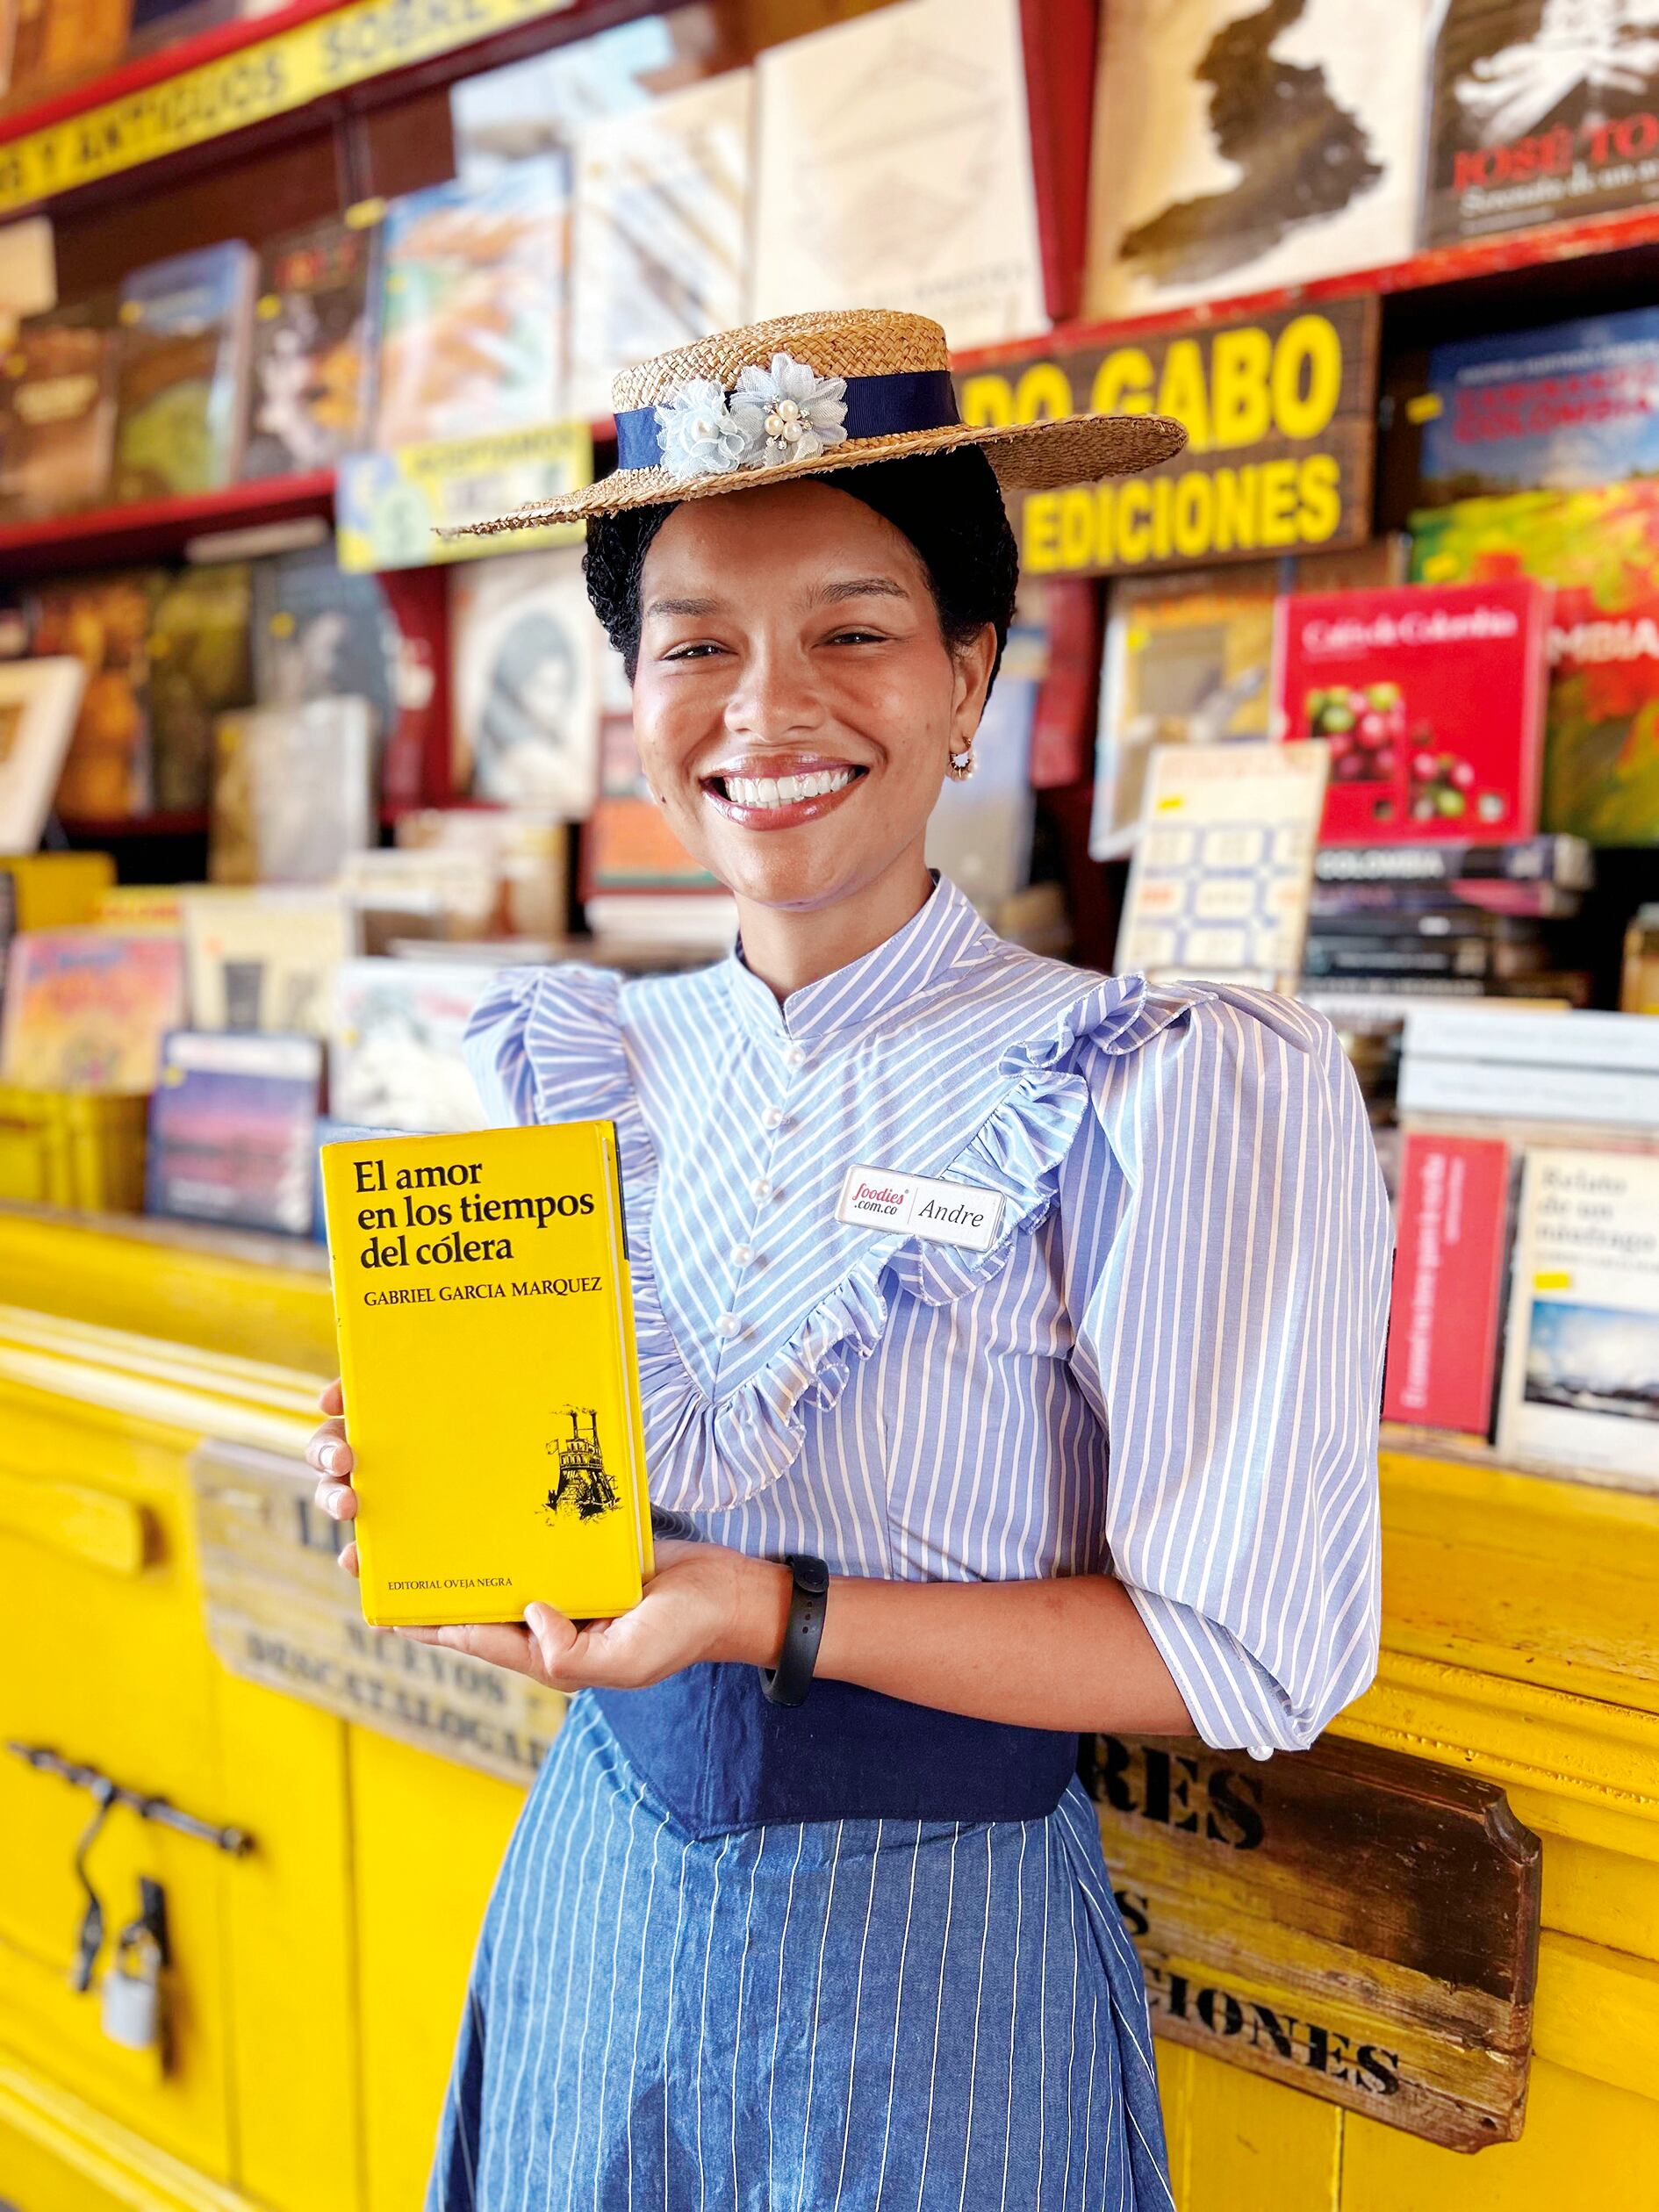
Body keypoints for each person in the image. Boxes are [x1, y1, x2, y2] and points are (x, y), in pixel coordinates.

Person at [307, 307, 1392, 2209]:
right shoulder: (570, 1062)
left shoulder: (1154, 1080)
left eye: (853, 632)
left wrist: (772, 1610)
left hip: (938, 1976)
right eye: (696, 645)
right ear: (633, 694)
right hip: (594, 1921)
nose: (766, 710)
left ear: (970, 673)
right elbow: (558, 1553)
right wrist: (438, 1520)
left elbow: (1247, 1654)